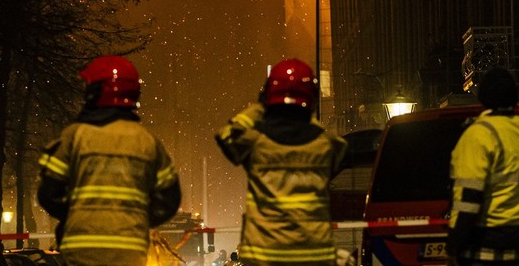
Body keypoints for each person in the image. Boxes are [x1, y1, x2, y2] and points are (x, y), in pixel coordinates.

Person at [37, 56, 181, 266]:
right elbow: (170, 200)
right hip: (129, 251)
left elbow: (49, 194)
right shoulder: (147, 142)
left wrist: (76, 216)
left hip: (81, 250)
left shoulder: (75, 136)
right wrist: (137, 220)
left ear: (96, 92)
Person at [216, 58, 348, 266]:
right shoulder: (330, 145)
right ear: (312, 98)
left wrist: (261, 107)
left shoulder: (255, 142)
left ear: (268, 97)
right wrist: (305, 115)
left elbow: (226, 135)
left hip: (264, 256)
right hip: (313, 256)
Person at [447, 67, 519, 266]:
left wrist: (454, 244)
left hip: (485, 245)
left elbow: (469, 199)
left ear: (484, 96)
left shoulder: (478, 135)